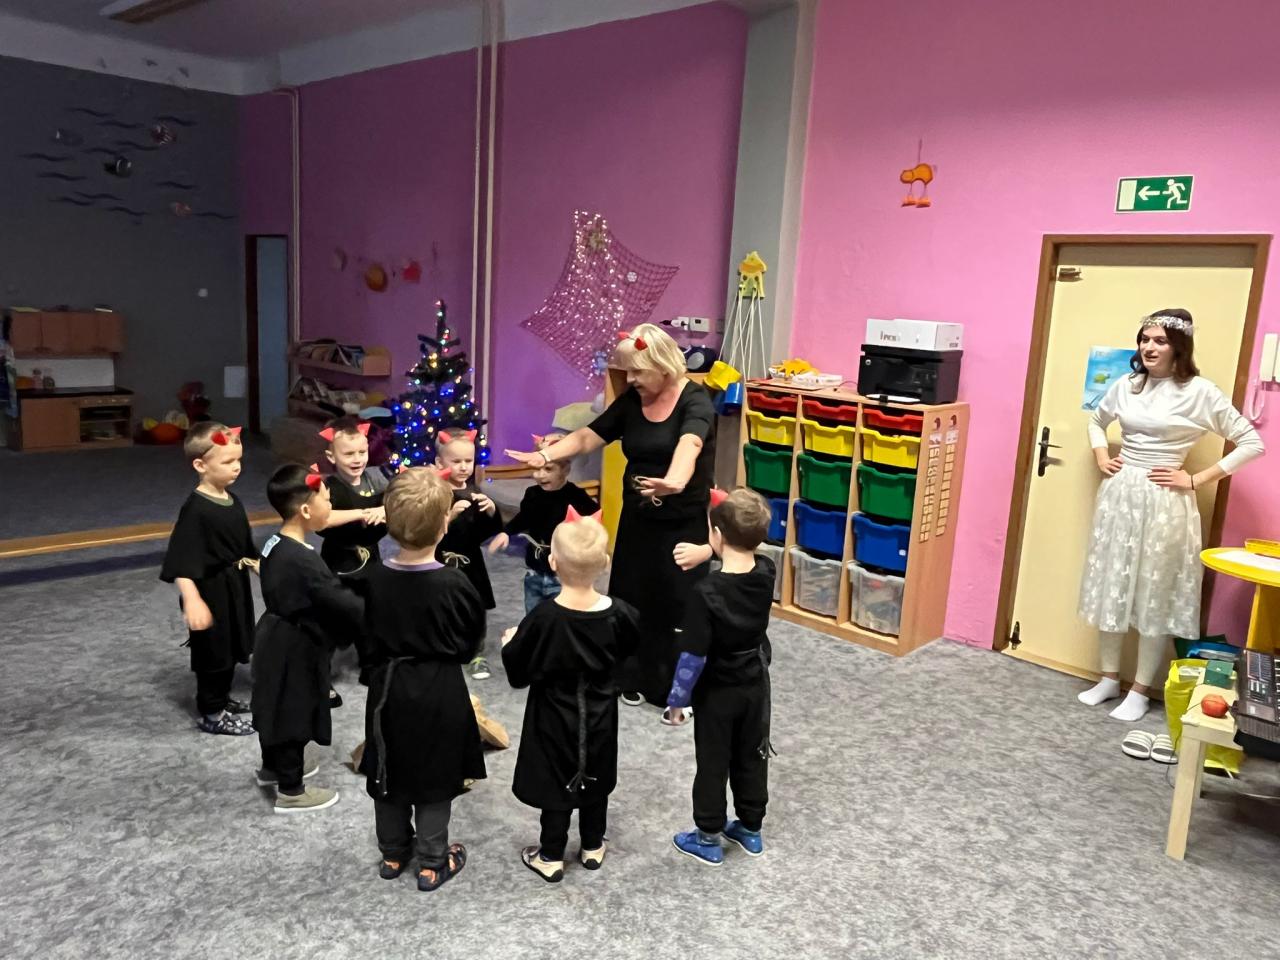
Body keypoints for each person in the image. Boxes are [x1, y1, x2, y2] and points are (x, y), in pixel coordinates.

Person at [505, 323, 715, 706]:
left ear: (663, 366)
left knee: (675, 602)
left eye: (638, 371)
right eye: (627, 371)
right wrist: (546, 455)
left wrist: (675, 480)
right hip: (638, 518)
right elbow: (589, 436)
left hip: (681, 523)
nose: (630, 379)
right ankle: (629, 675)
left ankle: (671, 687)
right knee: (631, 597)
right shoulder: (633, 400)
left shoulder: (695, 401)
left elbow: (691, 443)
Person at [1077, 308, 1264, 722]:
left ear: (1179, 346)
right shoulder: (1128, 385)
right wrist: (1102, 455)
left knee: (1154, 592)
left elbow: (1252, 443)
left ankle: (1141, 690)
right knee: (1113, 582)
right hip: (1121, 496)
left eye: (1159, 340)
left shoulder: (1200, 392)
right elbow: (1096, 421)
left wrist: (1196, 479)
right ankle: (1109, 678)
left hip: (1165, 502)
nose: (1149, 347)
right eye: (1144, 339)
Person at [359, 467, 486, 891]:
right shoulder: (455, 582)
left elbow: (365, 636)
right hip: (439, 687)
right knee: (435, 774)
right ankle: (432, 862)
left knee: (387, 765)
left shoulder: (374, 578)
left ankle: (393, 853)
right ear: (444, 525)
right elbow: (470, 641)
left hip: (387, 688)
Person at [500, 512, 639, 882]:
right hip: (601, 710)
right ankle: (592, 845)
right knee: (596, 770)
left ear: (552, 562)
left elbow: (518, 672)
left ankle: (550, 855)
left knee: (555, 780)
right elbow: (631, 654)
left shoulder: (543, 618)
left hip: (552, 713)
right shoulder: (621, 613)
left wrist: (511, 643)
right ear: (605, 563)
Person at [665, 488, 775, 866]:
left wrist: (677, 701)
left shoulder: (706, 592)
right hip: (755, 685)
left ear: (717, 534)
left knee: (713, 762)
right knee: (752, 755)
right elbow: (741, 552)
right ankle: (750, 828)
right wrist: (716, 544)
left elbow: (693, 657)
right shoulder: (766, 571)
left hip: (718, 691)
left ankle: (708, 836)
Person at [252, 465, 364, 813]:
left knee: (274, 703)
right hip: (297, 644)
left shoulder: (274, 542)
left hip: (272, 633)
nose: (330, 507)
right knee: (294, 712)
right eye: (327, 500)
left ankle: (272, 768)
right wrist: (375, 613)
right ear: (305, 509)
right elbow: (339, 601)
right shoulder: (304, 560)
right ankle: (291, 790)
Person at [160, 422, 257, 736]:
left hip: (234, 586)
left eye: (238, 460)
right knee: (214, 652)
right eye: (227, 462)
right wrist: (192, 599)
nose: (236, 467)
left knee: (231, 646)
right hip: (210, 590)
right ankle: (212, 713)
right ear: (201, 465)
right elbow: (181, 559)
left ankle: (222, 698)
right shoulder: (196, 510)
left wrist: (259, 564)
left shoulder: (232, 499)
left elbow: (242, 545)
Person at [315, 416, 388, 705]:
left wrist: (385, 511)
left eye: (362, 452)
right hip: (340, 559)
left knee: (372, 610)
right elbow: (322, 519)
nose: (357, 459)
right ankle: (319, 674)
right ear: (332, 456)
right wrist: (360, 514)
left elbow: (398, 503)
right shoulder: (329, 486)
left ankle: (370, 664)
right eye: (348, 454)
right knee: (333, 614)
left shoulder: (377, 479)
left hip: (371, 557)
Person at [488, 432, 600, 614]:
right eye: (536, 469)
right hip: (535, 570)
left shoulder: (576, 496)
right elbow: (524, 517)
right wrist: (506, 532)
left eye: (548, 469)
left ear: (565, 469)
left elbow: (594, 520)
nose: (540, 475)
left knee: (560, 617)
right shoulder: (532, 494)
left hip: (563, 575)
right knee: (534, 616)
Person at [435, 429, 503, 680]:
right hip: (441, 561)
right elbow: (427, 531)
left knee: (475, 607)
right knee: (443, 607)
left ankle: (476, 653)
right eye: (456, 461)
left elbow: (485, 533)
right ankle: (444, 651)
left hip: (471, 563)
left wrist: (491, 512)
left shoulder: (475, 491)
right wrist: (450, 516)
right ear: (439, 462)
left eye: (469, 461)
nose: (464, 467)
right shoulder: (436, 492)